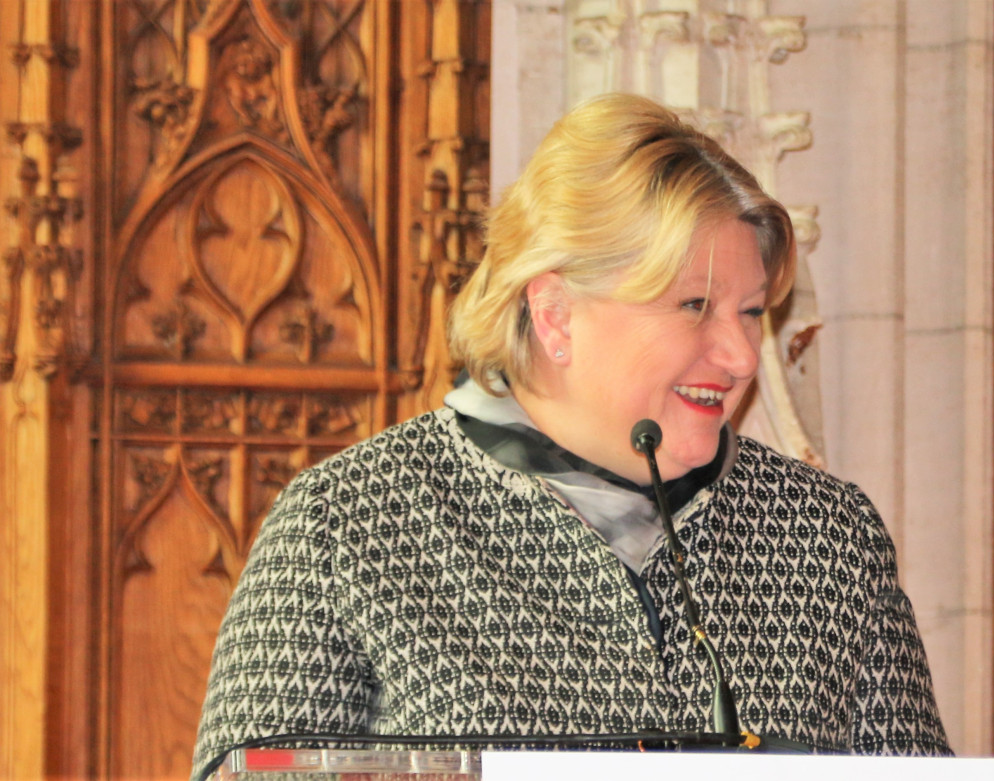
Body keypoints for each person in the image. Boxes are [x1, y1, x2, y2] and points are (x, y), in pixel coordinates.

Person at [191, 93, 952, 780]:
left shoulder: (826, 535)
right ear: (555, 314)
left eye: (751, 311)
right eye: (694, 304)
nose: (741, 355)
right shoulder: (347, 524)